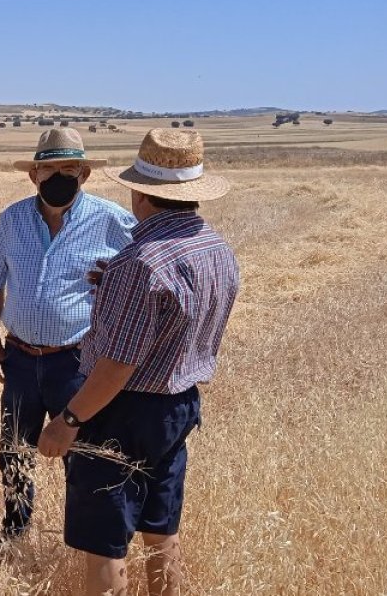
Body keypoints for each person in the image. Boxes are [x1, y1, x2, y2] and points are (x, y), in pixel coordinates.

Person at [39, 128, 240, 596]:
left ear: (140, 192)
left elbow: (117, 365)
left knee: (106, 545)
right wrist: (117, 285)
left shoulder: (141, 263)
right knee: (161, 531)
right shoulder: (215, 248)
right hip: (178, 408)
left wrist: (68, 420)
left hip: (119, 414)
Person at [0, 127, 135, 541]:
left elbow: (143, 273)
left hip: (78, 361)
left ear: (85, 174)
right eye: (49, 169)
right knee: (13, 451)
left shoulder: (111, 219)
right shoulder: (11, 219)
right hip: (21, 359)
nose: (59, 177)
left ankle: (85, 540)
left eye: (70, 168)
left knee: (81, 454)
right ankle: (15, 531)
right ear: (33, 175)